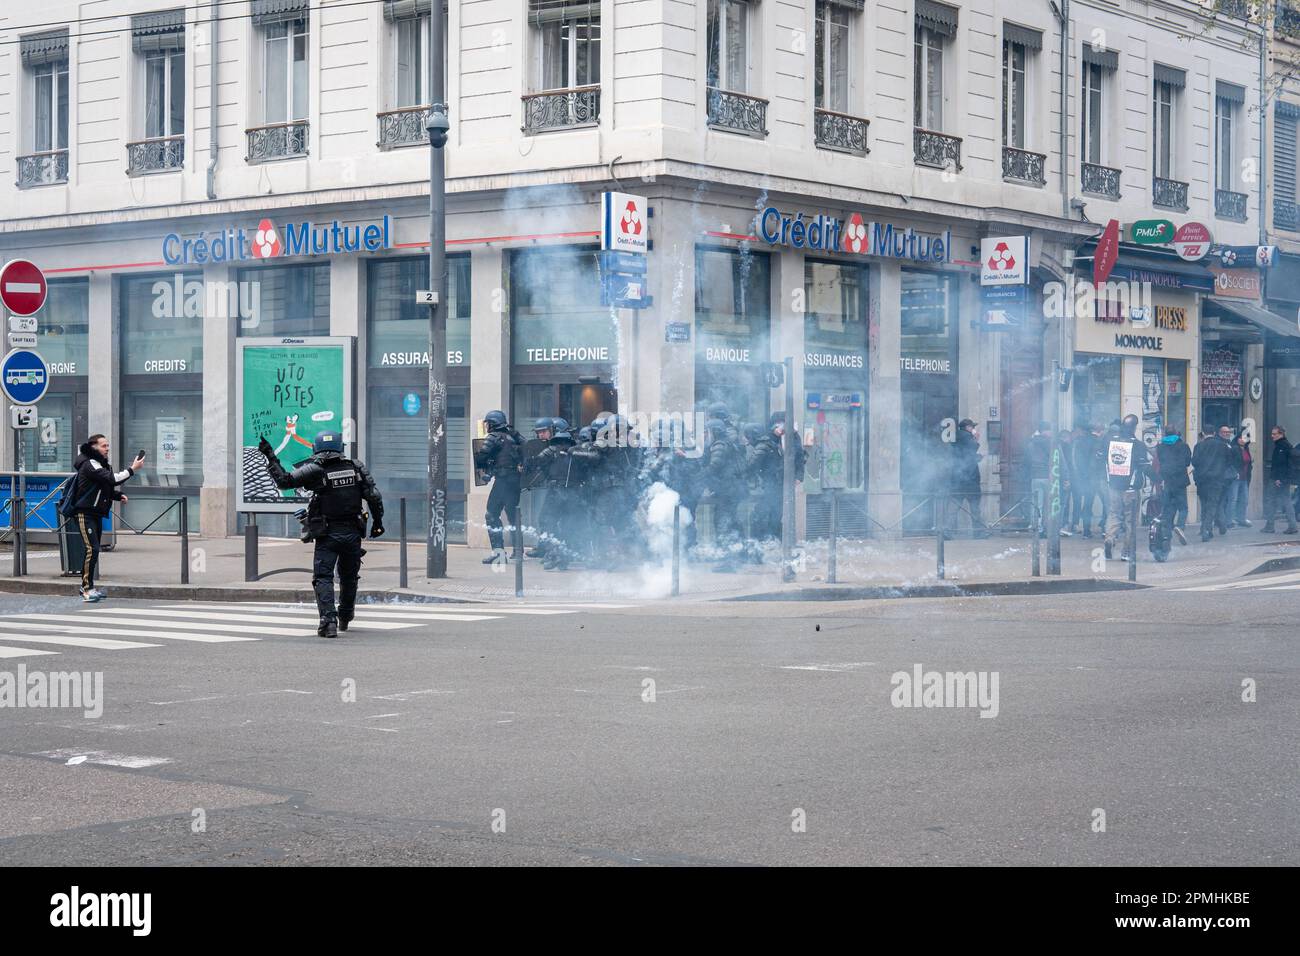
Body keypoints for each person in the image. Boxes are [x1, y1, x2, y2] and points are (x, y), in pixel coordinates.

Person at [260, 431, 384, 638]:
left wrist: (271, 456)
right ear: (340, 448)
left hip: (328, 534)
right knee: (349, 577)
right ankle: (345, 616)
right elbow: (374, 497)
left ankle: (329, 622)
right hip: (353, 532)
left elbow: (284, 481)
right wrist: (378, 523)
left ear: (316, 448)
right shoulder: (356, 467)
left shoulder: (316, 469)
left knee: (323, 577)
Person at [68, 435, 144, 603]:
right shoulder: (89, 464)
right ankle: (86, 588)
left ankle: (90, 587)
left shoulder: (101, 464)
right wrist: (132, 469)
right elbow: (111, 479)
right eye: (104, 446)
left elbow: (106, 487)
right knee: (92, 549)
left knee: (94, 550)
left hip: (96, 513)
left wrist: (118, 496)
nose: (107, 448)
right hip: (84, 513)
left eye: (108, 445)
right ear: (93, 446)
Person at [473, 410, 525, 565]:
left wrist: (486, 462)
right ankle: (518, 551)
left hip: (503, 480)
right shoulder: (514, 437)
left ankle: (498, 553)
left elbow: (482, 456)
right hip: (515, 481)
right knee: (513, 516)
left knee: (491, 515)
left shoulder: (494, 437)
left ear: (493, 423)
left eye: (488, 423)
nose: (487, 426)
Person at [1103, 414, 1149, 561]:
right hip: (1130, 489)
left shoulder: (1110, 441)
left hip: (1113, 486)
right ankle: (1126, 552)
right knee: (1130, 521)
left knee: (1113, 514)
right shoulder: (1138, 445)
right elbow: (1144, 466)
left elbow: (1099, 458)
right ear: (1135, 427)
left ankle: (1110, 538)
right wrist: (1158, 479)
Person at [703, 415, 746, 571]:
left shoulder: (719, 445)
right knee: (731, 522)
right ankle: (742, 553)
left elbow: (715, 465)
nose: (705, 435)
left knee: (723, 523)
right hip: (731, 490)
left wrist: (699, 475)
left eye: (707, 432)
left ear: (714, 431)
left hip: (727, 491)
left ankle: (729, 562)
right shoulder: (728, 442)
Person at [947, 419, 989, 537]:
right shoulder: (967, 437)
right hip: (970, 480)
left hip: (957, 480)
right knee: (975, 509)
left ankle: (948, 532)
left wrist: (977, 457)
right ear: (967, 427)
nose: (973, 429)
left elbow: (966, 456)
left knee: (953, 508)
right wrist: (976, 439)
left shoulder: (957, 439)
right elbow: (971, 452)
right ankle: (979, 532)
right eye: (972, 427)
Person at [1192, 424, 1232, 542]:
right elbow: (1229, 461)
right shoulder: (1222, 446)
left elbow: (1194, 461)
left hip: (1202, 480)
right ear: (1214, 433)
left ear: (1203, 433)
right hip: (1217, 480)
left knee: (1205, 504)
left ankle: (1205, 528)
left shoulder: (1198, 446)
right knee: (1212, 505)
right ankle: (1206, 529)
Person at [521, 417, 554, 559]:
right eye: (538, 432)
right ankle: (544, 547)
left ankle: (550, 549)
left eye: (544, 431)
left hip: (556, 488)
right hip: (543, 486)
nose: (541, 435)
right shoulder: (538, 445)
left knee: (549, 518)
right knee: (543, 518)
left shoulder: (556, 446)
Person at [1154, 427, 1191, 545]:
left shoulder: (1160, 447)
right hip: (1180, 481)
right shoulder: (1183, 446)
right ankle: (1180, 526)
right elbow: (1187, 462)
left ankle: (1166, 535)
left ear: (1165, 434)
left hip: (1167, 481)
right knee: (1183, 508)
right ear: (1176, 433)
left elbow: (1160, 461)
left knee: (1168, 509)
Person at [1262, 425, 1298, 534]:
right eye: (1272, 433)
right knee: (1285, 500)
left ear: (1281, 434)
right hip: (1283, 478)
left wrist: (1278, 478)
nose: (1272, 436)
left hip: (1278, 478)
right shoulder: (1285, 445)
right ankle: (1292, 525)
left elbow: (1281, 464)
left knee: (1271, 500)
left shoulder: (1282, 446)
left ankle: (1270, 525)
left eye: (1274, 434)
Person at [1073, 423, 1107, 538]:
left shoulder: (1080, 442)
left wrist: (1082, 475)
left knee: (1087, 504)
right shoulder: (1099, 442)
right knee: (1106, 503)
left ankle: (1086, 531)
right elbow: (1101, 459)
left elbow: (1077, 461)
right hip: (1098, 477)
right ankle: (1104, 530)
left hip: (1086, 478)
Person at [1024, 421, 1052, 535]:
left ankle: (1037, 526)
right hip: (1048, 476)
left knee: (1037, 504)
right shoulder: (1050, 443)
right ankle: (1046, 527)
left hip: (1035, 476)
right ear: (1045, 431)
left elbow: (1027, 460)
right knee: (1048, 504)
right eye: (1049, 430)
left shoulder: (1031, 443)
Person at [1226, 429, 1253, 528]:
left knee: (1244, 499)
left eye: (1245, 438)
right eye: (1241, 438)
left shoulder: (1246, 449)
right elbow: (1229, 462)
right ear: (1237, 438)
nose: (1242, 440)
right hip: (1235, 478)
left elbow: (1249, 463)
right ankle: (1229, 520)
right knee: (1233, 499)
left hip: (1245, 478)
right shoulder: (1234, 449)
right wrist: (1234, 472)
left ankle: (1241, 518)